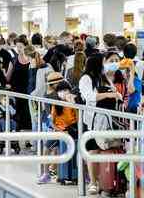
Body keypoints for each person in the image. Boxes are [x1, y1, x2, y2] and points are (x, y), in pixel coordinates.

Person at [79, 53, 122, 195]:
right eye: (105, 61)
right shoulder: (86, 78)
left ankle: (106, 182)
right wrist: (108, 95)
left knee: (105, 150)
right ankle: (92, 181)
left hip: (108, 120)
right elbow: (89, 96)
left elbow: (117, 94)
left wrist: (114, 94)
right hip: (93, 120)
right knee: (93, 151)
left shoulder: (104, 77)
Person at [38, 80, 77, 184]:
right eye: (60, 91)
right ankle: (46, 174)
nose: (63, 93)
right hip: (59, 131)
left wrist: (73, 104)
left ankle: (83, 173)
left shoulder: (74, 103)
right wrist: (60, 131)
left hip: (72, 129)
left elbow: (77, 120)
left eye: (65, 90)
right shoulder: (56, 105)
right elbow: (52, 122)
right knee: (46, 148)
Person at [7, 35, 32, 132]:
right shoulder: (13, 60)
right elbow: (8, 77)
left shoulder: (31, 60)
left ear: (26, 47)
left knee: (28, 116)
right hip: (16, 92)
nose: (18, 49)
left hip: (28, 92)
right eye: (17, 47)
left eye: (20, 47)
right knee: (17, 116)